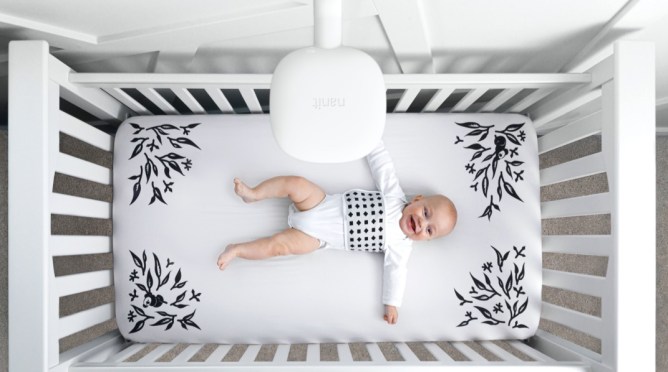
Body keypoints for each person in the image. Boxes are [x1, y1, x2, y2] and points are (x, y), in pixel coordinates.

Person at [217, 142, 457, 324]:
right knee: (296, 183)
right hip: (320, 204)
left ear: (426, 239)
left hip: (319, 239)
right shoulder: (394, 195)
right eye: (426, 212)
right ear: (417, 199)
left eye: (429, 230)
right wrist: (372, 138)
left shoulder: (401, 246)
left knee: (279, 247)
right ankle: (254, 194)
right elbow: (383, 166)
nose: (421, 223)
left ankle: (237, 250)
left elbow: (396, 273)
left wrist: (392, 304)